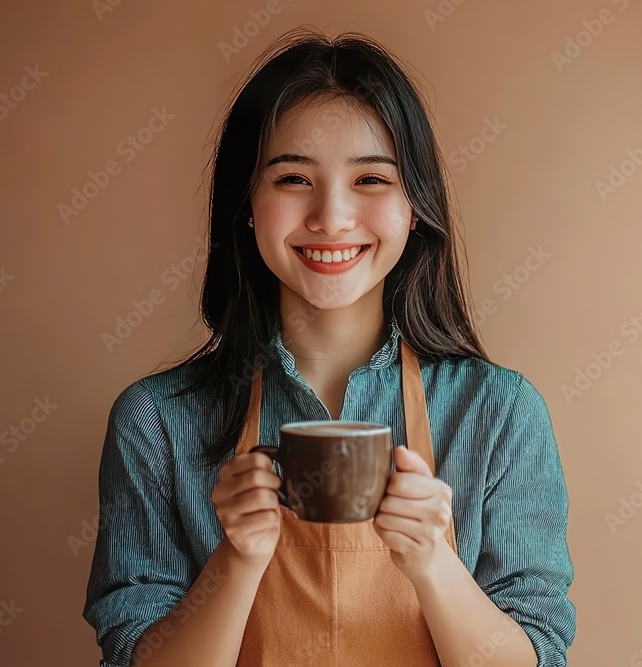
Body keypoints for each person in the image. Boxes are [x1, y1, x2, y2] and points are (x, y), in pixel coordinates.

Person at [82, 27, 576, 667]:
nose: (332, 217)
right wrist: (235, 560)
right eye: (293, 179)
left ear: (414, 206)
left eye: (371, 178)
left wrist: (432, 562)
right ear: (247, 205)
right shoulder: (156, 421)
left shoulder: (501, 413)